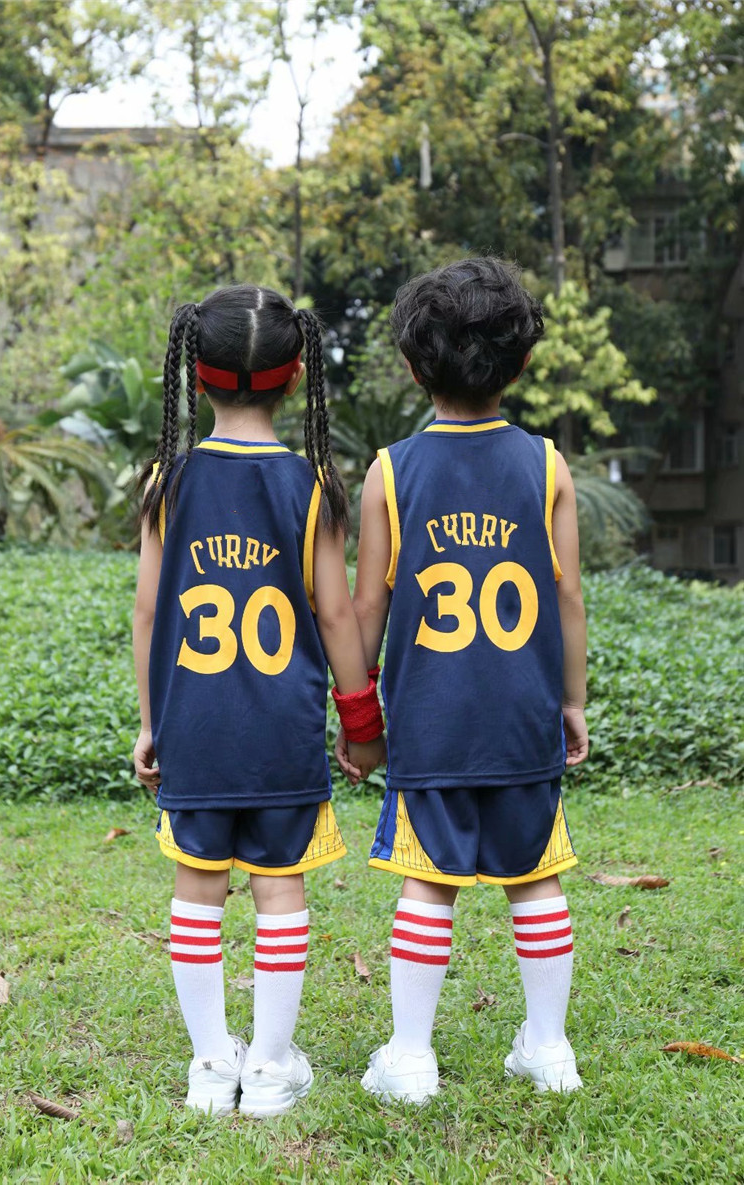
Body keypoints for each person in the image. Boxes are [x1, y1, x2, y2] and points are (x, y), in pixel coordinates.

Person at [339, 256, 588, 1101]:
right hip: (523, 720)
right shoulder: (549, 466)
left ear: (415, 367)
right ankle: (549, 1049)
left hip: (429, 724)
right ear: (522, 362)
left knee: (428, 881)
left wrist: (358, 716)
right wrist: (572, 702)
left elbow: (367, 610)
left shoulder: (389, 471)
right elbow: (568, 598)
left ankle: (411, 1056)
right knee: (536, 877)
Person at [133, 285, 386, 1118]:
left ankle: (211, 1067)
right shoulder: (311, 486)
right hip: (282, 734)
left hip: (195, 729)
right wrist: (361, 722)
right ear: (298, 372)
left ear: (195, 374)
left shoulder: (168, 480)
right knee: (280, 889)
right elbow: (337, 615)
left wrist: (151, 723)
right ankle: (272, 1069)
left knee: (196, 889)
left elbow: (148, 613)